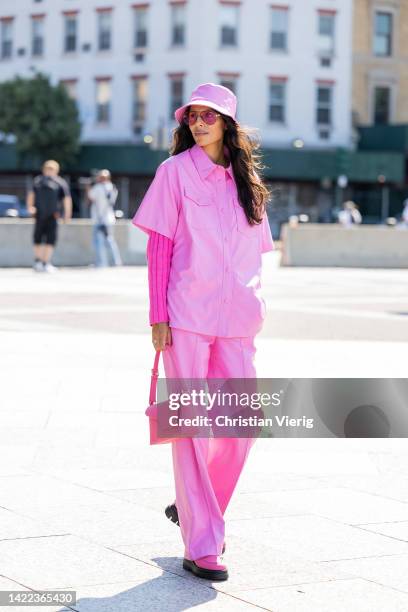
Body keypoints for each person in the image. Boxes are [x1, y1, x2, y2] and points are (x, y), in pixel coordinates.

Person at [132, 82, 275, 582]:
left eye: (208, 116)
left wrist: (255, 300)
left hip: (238, 319)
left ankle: (194, 504)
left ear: (228, 124)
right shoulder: (173, 172)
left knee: (242, 426)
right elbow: (159, 248)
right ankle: (201, 544)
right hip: (186, 316)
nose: (198, 122)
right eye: (192, 115)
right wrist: (158, 316)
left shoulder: (248, 182)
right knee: (191, 425)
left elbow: (258, 251)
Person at [27, 160, 72, 272]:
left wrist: (67, 214)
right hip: (39, 215)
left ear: (56, 171)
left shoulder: (60, 183)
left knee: (51, 239)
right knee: (37, 238)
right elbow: (31, 195)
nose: (49, 171)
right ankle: (37, 261)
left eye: (52, 169)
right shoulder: (38, 181)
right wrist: (30, 207)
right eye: (47, 169)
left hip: (53, 215)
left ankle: (46, 262)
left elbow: (67, 199)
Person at [87, 169, 122, 267]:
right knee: (110, 240)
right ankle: (117, 261)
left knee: (99, 242)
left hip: (99, 219)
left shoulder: (98, 188)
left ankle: (102, 263)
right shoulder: (112, 188)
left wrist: (88, 187)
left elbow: (90, 197)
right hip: (109, 219)